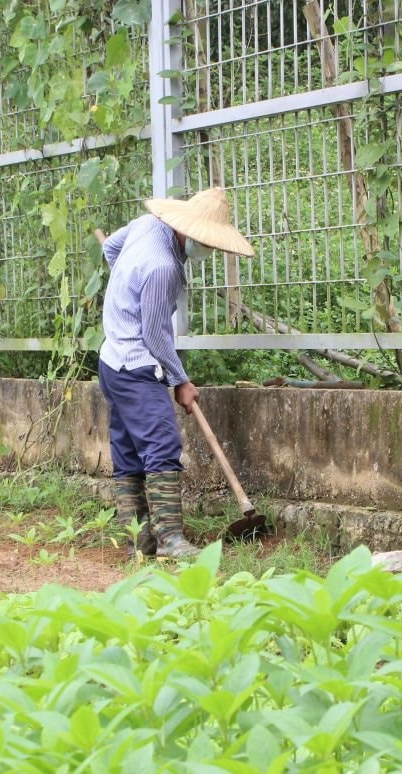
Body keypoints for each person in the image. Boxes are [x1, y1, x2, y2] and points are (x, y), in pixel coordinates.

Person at [98, 187, 254, 560]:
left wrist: (125, 291)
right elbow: (153, 334)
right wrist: (180, 380)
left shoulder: (147, 224)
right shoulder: (163, 266)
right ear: (187, 230)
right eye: (204, 241)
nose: (207, 249)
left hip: (110, 360)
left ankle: (139, 540)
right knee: (162, 446)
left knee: (128, 451)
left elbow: (110, 251)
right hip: (135, 363)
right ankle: (169, 539)